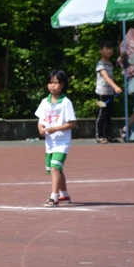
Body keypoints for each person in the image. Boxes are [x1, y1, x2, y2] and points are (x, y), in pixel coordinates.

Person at [35, 69, 77, 208]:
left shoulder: (66, 102)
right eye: (50, 82)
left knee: (55, 168)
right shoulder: (44, 102)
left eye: (56, 82)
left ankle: (54, 197)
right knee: (55, 169)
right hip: (50, 143)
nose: (52, 86)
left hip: (62, 142)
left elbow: (72, 123)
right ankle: (65, 194)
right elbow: (40, 121)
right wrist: (41, 129)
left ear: (63, 84)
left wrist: (55, 128)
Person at [95, 40, 123, 144]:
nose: (109, 51)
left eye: (111, 49)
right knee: (101, 114)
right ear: (101, 51)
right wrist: (115, 87)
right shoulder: (100, 64)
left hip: (109, 94)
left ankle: (108, 135)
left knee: (108, 114)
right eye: (107, 49)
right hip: (101, 94)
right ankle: (99, 135)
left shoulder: (110, 64)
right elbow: (106, 77)